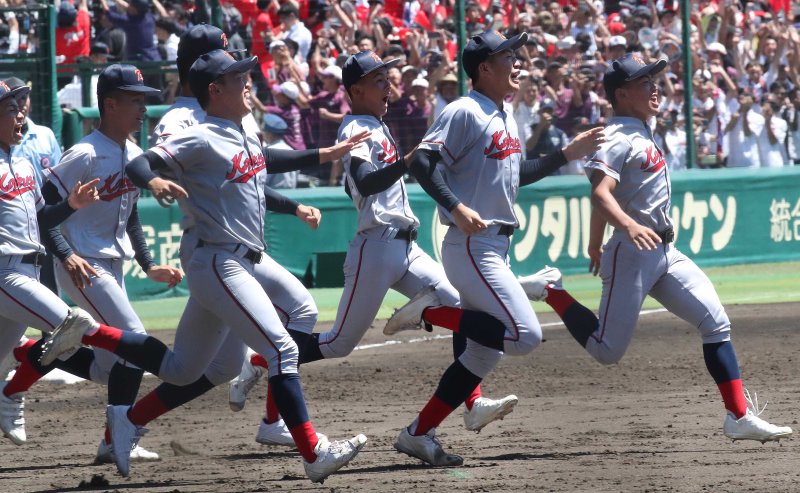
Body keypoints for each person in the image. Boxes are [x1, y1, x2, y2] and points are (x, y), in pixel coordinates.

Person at [41, 49, 371, 483]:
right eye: (239, 78)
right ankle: (313, 452)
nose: (248, 82)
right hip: (219, 260)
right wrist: (155, 179)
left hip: (234, 262)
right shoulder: (199, 135)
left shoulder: (239, 132)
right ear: (215, 90)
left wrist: (329, 152)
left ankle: (123, 407)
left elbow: (271, 159)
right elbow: (142, 163)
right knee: (283, 349)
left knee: (191, 369)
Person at [229, 50, 520, 453]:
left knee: (459, 307)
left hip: (407, 247)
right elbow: (365, 183)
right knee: (337, 344)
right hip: (375, 248)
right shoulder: (355, 128)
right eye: (379, 81)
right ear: (356, 90)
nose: (389, 87)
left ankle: (472, 403)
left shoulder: (377, 126)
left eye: (388, 78)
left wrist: (405, 159)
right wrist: (405, 161)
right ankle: (261, 360)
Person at [536, 53, 792, 443]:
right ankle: (551, 290)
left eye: (654, 80)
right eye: (644, 83)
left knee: (716, 323)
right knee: (607, 351)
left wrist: (592, 244)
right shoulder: (617, 137)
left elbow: (611, 194)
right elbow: (600, 193)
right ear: (621, 94)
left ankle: (738, 416)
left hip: (663, 251)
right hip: (633, 250)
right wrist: (624, 227)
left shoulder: (642, 128)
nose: (655, 87)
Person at [381, 31, 604, 465]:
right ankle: (427, 312)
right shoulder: (464, 110)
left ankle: (418, 433)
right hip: (471, 244)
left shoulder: (503, 115)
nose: (517, 63)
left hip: (493, 247)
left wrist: (565, 154)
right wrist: (456, 206)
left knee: (482, 353)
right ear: (484, 68)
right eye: (508, 57)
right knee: (525, 336)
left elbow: (517, 174)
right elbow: (424, 163)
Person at [0, 79, 107, 446]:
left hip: (30, 269)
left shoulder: (25, 165)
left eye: (19, 107)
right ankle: (12, 395)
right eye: (10, 109)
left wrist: (71, 207)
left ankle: (5, 390)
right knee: (72, 324)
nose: (20, 114)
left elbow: (44, 218)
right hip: (5, 273)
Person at [5, 76, 62, 292]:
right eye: (16, 98)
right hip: (13, 227)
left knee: (48, 289)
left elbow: (59, 178)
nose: (22, 102)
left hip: (44, 220)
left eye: (25, 96)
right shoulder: (6, 140)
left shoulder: (45, 135)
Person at [262, 113, 297, 189]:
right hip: (292, 195)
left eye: (264, 131)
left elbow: (263, 179)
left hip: (274, 195)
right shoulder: (291, 150)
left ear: (269, 134)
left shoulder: (268, 152)